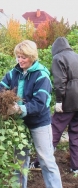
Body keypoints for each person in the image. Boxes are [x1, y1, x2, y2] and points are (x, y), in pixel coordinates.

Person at [0, 40, 62, 188]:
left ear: (32, 56)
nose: (20, 60)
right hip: (19, 125)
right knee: (20, 161)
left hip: (38, 123)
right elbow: (0, 88)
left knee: (46, 160)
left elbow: (41, 103)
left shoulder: (41, 76)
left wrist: (20, 109)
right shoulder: (13, 73)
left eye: (24, 57)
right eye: (18, 56)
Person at [50, 37, 78, 174]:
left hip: (68, 99)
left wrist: (59, 101)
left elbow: (60, 81)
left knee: (54, 129)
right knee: (76, 133)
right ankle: (76, 167)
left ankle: (40, 161)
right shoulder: (76, 56)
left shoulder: (58, 58)